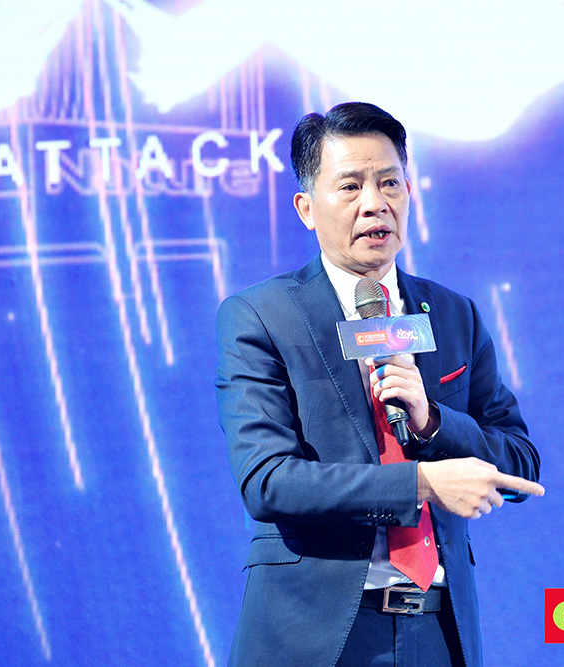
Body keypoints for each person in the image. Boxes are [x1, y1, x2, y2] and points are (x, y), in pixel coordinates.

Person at [215, 102, 543, 667]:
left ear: (409, 193)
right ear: (306, 208)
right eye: (350, 186)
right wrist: (420, 483)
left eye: (390, 182)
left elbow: (519, 462)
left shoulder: (453, 314)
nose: (375, 203)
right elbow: (268, 481)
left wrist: (434, 423)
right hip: (316, 635)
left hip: (437, 631)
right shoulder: (262, 316)